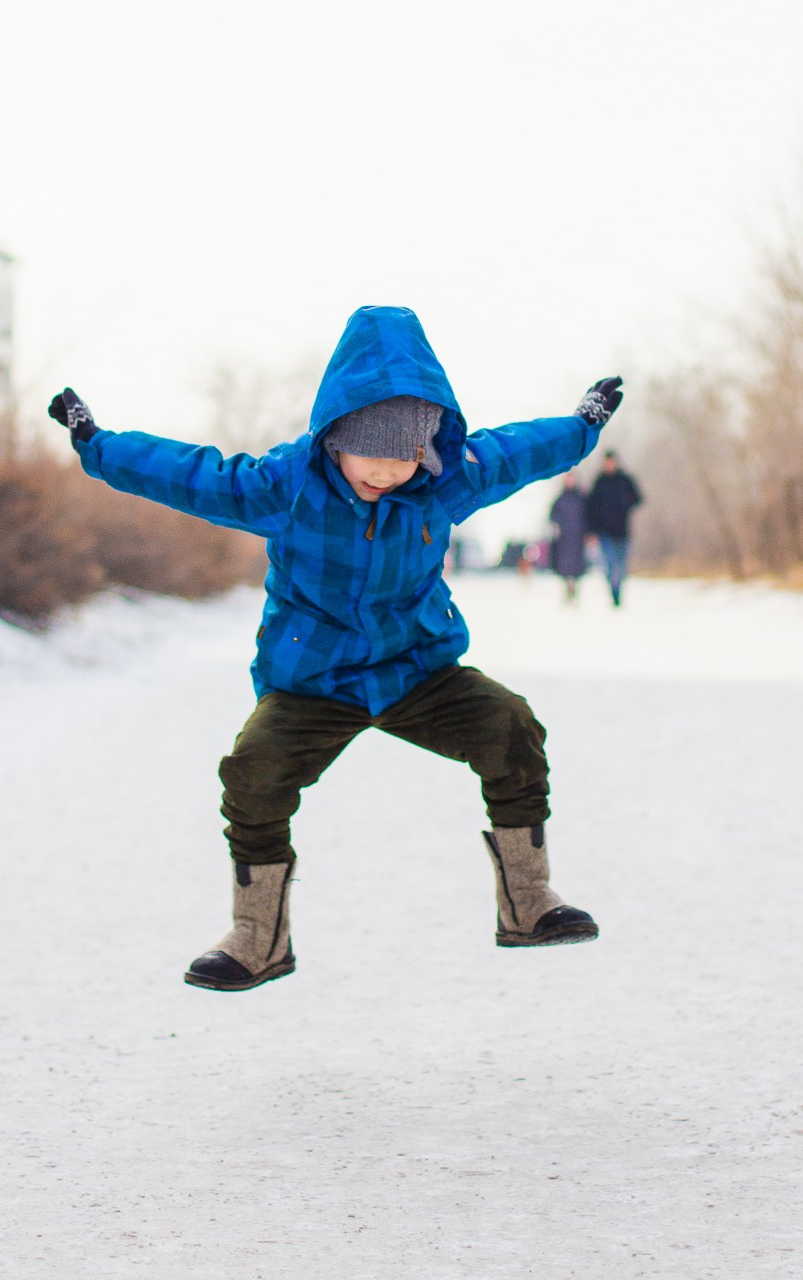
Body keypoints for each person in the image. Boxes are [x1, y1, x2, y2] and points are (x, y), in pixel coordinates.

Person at [48, 306, 623, 993]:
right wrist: (96, 442)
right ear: (333, 440)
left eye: (403, 463)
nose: (385, 478)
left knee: (510, 726)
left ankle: (528, 900)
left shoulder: (447, 478)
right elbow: (186, 473)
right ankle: (258, 937)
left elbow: (522, 450)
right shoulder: (282, 486)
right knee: (253, 772)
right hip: (312, 679)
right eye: (369, 463)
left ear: (426, 450)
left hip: (415, 667)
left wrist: (583, 424)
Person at [585, 450, 642, 606]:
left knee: (621, 565)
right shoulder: (599, 482)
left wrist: (625, 504)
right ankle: (613, 591)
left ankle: (618, 590)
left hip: (622, 530)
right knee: (610, 564)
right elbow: (591, 509)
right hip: (604, 532)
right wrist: (591, 532)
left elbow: (638, 499)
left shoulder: (624, 480)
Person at [549, 471, 587, 601]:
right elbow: (553, 516)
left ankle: (574, 588)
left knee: (577, 566)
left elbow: (588, 516)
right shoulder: (560, 499)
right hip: (564, 538)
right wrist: (556, 527)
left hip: (578, 537)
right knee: (565, 566)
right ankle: (567, 588)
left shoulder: (581, 498)